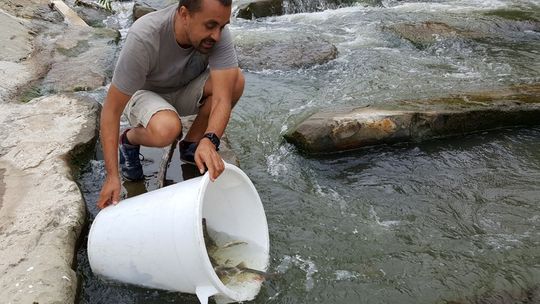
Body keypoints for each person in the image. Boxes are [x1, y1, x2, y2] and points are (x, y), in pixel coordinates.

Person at [97, 0, 244, 209]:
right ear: (184, 14)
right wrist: (112, 176)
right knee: (168, 128)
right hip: (144, 93)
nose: (217, 36)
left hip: (183, 89)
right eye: (210, 26)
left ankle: (192, 144)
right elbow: (111, 111)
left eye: (222, 26)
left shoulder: (218, 33)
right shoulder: (145, 35)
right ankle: (129, 139)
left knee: (235, 80)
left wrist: (209, 141)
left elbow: (222, 98)